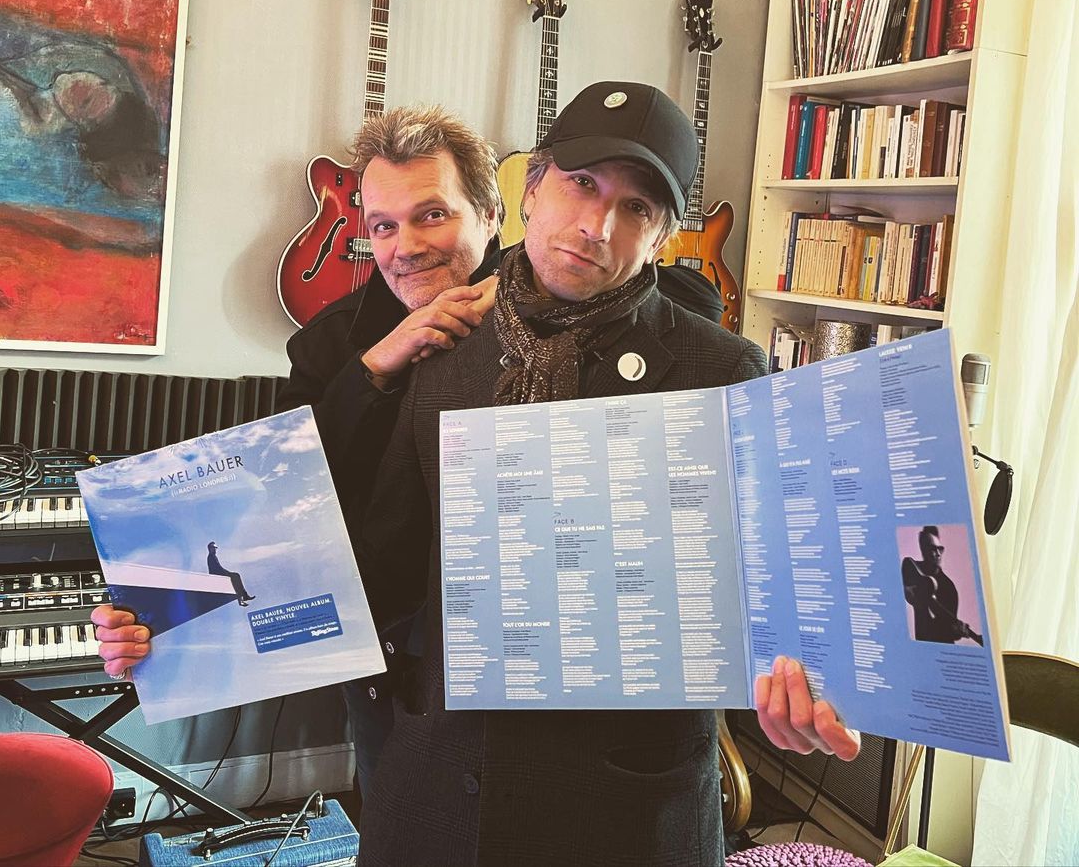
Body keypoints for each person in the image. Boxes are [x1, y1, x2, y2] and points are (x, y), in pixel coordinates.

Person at [90, 102, 731, 802]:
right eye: (383, 226)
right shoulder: (329, 343)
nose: (406, 247)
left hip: (566, 681)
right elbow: (267, 508)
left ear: (495, 213)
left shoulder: (568, 293)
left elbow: (681, 303)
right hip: (396, 680)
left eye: (432, 215)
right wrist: (155, 623)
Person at [348, 81, 860, 866]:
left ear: (660, 237)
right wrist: (190, 627)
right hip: (447, 788)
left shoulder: (721, 370)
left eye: (636, 207)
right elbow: (379, 566)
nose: (596, 225)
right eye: (581, 184)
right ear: (531, 188)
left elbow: (775, 586)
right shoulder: (444, 349)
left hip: (625, 807)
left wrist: (806, 679)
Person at [902, 525, 982, 645]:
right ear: (923, 550)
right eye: (933, 549)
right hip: (922, 644)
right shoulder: (912, 567)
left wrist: (957, 631)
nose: (938, 553)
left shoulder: (948, 588)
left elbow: (947, 631)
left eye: (940, 549)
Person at [206, 542, 255, 606]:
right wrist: (228, 573)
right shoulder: (211, 557)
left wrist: (228, 573)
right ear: (210, 549)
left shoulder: (213, 556)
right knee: (236, 576)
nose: (215, 549)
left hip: (219, 573)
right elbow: (217, 568)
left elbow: (218, 568)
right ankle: (243, 597)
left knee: (236, 577)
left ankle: (244, 597)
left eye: (215, 548)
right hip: (217, 575)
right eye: (213, 548)